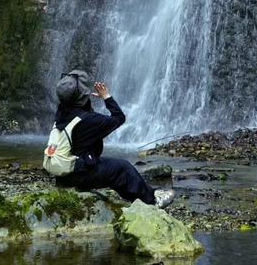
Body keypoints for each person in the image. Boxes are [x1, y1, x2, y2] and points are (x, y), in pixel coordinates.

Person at [51, 70, 174, 208]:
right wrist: (106, 97)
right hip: (78, 175)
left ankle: (139, 198)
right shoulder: (89, 120)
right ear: (83, 97)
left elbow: (83, 117)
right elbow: (119, 117)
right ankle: (153, 200)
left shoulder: (62, 113)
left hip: (63, 174)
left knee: (112, 169)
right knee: (122, 167)